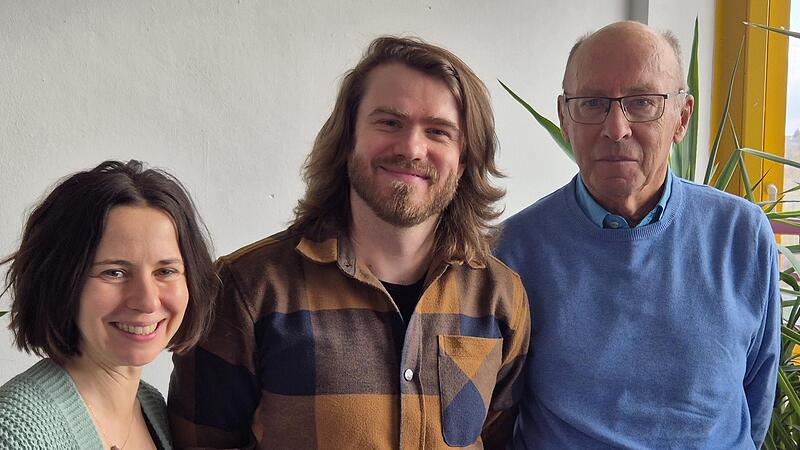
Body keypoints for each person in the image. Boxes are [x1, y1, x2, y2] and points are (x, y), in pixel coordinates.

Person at [169, 36, 530, 449]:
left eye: (438, 132)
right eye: (389, 122)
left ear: (464, 160)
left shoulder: (501, 298)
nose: (412, 148)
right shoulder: (247, 289)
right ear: (347, 140)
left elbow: (499, 439)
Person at [496, 21, 780, 449]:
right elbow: (496, 418)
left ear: (681, 118)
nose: (616, 128)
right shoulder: (513, 251)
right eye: (592, 103)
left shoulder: (741, 236)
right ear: (565, 118)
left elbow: (756, 403)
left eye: (642, 102)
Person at [0, 160, 217, 450]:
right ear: (59, 281)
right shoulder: (18, 432)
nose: (147, 301)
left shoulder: (151, 405)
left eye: (165, 271)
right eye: (114, 272)